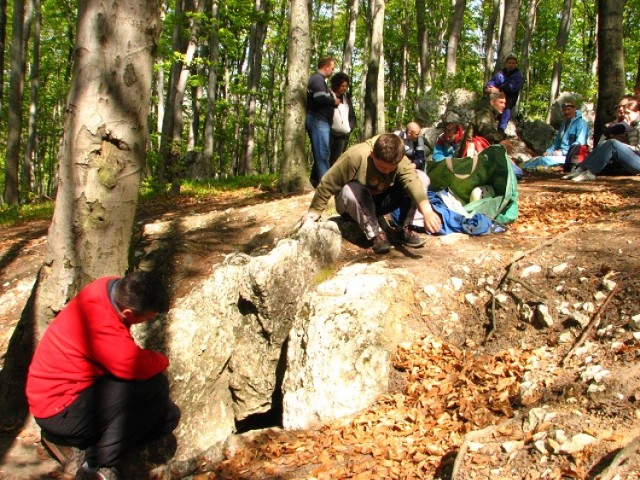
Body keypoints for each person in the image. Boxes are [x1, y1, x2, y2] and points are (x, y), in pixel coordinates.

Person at [26, 271, 180, 480]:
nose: (150, 319)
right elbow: (135, 366)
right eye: (149, 317)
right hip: (58, 407)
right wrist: (163, 360)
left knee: (167, 417)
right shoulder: (100, 323)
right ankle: (97, 465)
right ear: (128, 312)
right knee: (155, 386)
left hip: (77, 391)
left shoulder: (108, 287)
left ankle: (86, 446)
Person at [300, 133, 442, 254]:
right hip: (352, 204)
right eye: (382, 167)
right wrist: (315, 210)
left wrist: (427, 212)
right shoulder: (355, 156)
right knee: (351, 189)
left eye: (390, 169)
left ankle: (403, 229)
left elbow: (412, 181)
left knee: (420, 177)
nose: (386, 171)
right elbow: (328, 182)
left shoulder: (400, 158)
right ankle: (376, 235)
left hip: (378, 202)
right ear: (373, 154)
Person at [564, 100, 640, 182]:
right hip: (633, 159)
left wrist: (621, 146)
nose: (626, 116)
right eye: (625, 113)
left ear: (638, 113)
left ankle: (591, 173)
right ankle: (580, 170)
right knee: (604, 143)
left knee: (612, 143)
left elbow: (638, 149)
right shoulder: (633, 126)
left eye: (628, 113)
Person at [522, 98, 589, 170]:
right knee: (537, 159)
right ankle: (521, 167)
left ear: (574, 109)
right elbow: (556, 142)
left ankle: (521, 169)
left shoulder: (581, 123)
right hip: (559, 156)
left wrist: (563, 152)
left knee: (542, 161)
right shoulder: (564, 124)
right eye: (564, 110)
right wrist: (548, 152)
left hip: (570, 158)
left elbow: (579, 144)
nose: (566, 112)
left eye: (568, 109)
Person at [307, 57, 339, 186]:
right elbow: (319, 97)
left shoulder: (320, 80)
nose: (332, 71)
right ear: (326, 67)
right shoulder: (317, 79)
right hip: (317, 120)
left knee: (323, 152)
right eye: (332, 68)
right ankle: (326, 185)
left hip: (320, 120)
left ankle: (322, 181)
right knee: (322, 152)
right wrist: (333, 101)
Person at [458, 92, 507, 158]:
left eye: (504, 103)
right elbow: (487, 133)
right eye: (501, 102)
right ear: (492, 102)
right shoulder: (485, 114)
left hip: (476, 154)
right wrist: (503, 138)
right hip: (471, 154)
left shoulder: (491, 115)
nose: (503, 106)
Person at [485, 53, 523, 132]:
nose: (511, 65)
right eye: (509, 63)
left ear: (515, 64)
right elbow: (492, 83)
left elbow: (512, 88)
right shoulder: (500, 74)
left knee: (507, 108)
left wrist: (499, 89)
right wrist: (488, 88)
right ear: (506, 63)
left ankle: (501, 129)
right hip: (498, 97)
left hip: (509, 98)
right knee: (489, 104)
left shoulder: (517, 76)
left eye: (513, 63)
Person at [329, 72, 356, 166]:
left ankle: (332, 179)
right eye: (342, 86)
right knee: (323, 156)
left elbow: (351, 115)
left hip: (342, 135)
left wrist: (350, 127)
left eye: (346, 86)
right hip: (329, 133)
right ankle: (316, 179)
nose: (344, 88)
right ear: (336, 85)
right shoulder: (329, 95)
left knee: (336, 159)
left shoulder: (347, 99)